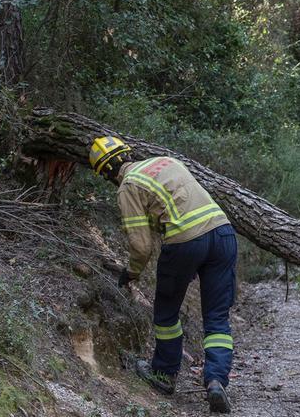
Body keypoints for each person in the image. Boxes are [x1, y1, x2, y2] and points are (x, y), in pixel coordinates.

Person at [88, 136, 236, 413]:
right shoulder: (165, 160)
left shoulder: (128, 186)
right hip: (223, 233)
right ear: (127, 153)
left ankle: (164, 374)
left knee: (166, 314)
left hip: (185, 242)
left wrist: (130, 273)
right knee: (217, 317)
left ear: (106, 172)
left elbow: (141, 246)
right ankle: (216, 382)